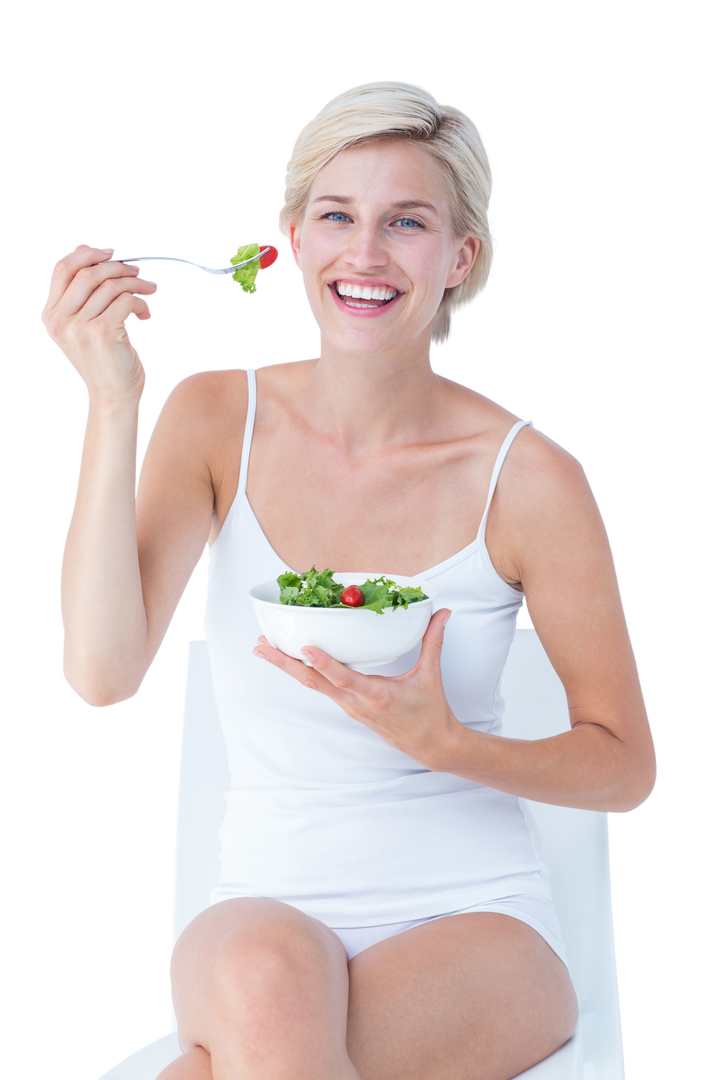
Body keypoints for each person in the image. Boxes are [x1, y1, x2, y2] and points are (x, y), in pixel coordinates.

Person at [43, 76, 658, 1080]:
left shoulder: (531, 478)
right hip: (259, 914)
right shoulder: (210, 418)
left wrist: (450, 744)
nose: (365, 254)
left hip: (481, 927)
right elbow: (103, 676)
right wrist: (113, 403)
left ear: (460, 257)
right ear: (289, 235)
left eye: (406, 223)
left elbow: (625, 768)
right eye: (337, 215)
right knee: (269, 983)